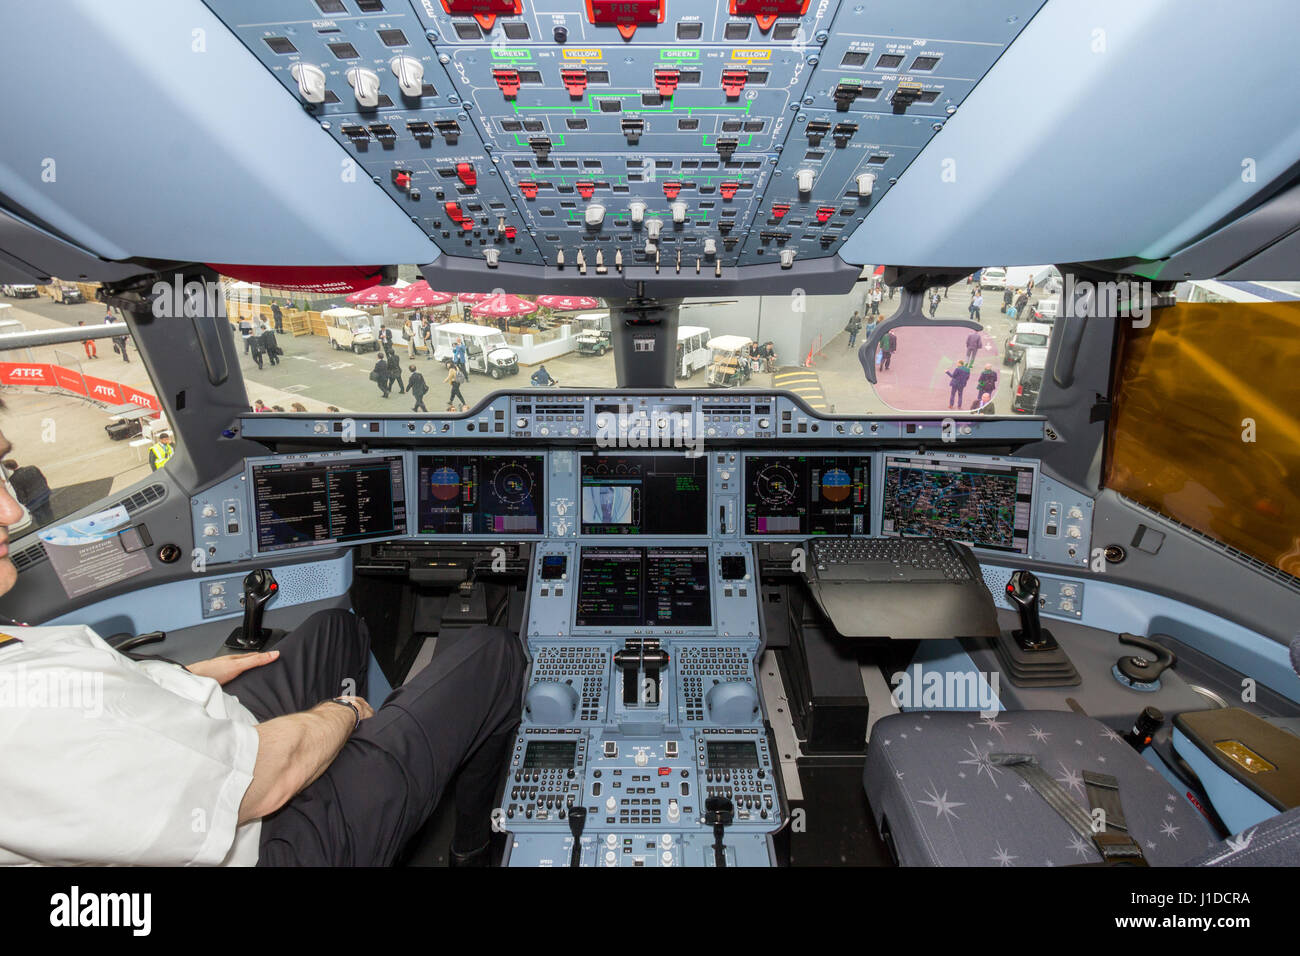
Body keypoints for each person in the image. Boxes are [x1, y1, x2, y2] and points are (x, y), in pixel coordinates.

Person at [0, 424, 526, 867]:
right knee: (494, 653)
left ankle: (365, 757)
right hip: (265, 841)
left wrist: (180, 678)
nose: (11, 511)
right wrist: (341, 715)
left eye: (2, 473)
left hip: (203, 750)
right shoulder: (27, 705)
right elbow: (260, 785)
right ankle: (470, 846)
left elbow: (108, 715)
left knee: (332, 630)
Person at [2, 459, 54, 526]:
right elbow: (43, 478)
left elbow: (19, 492)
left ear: (8, 468)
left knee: (40, 518)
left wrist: (23, 502)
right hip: (44, 493)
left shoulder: (13, 478)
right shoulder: (32, 468)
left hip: (32, 500)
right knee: (48, 511)